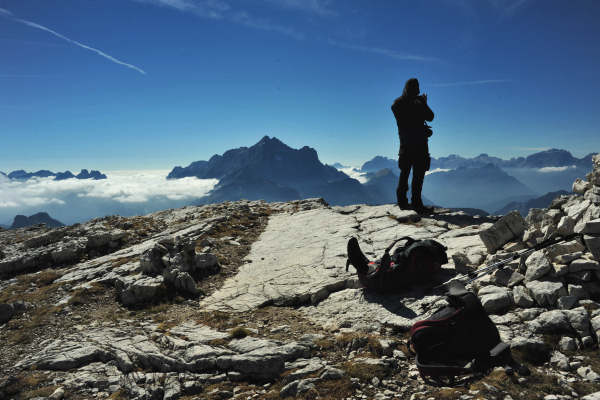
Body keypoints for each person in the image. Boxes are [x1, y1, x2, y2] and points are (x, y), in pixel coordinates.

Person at [391, 78, 434, 214]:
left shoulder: (400, 103)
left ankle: (406, 203)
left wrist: (421, 103)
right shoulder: (402, 104)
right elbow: (430, 116)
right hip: (415, 145)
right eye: (416, 88)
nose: (418, 91)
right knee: (413, 175)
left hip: (409, 145)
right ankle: (413, 204)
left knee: (410, 174)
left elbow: (430, 117)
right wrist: (422, 103)